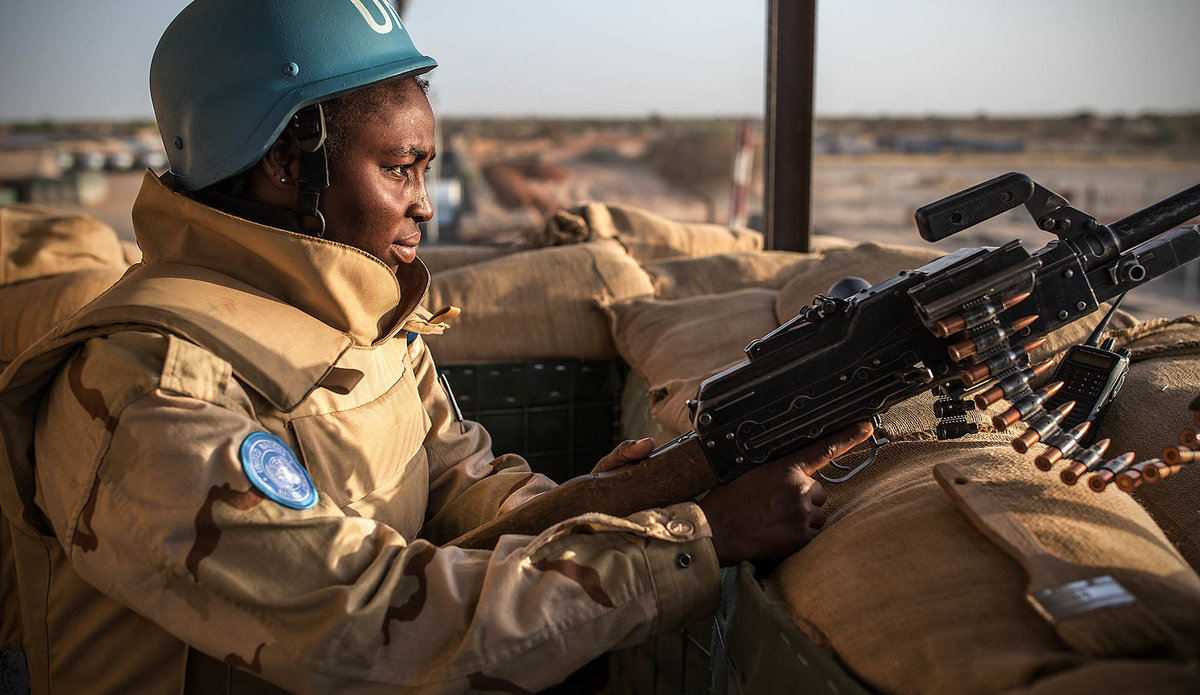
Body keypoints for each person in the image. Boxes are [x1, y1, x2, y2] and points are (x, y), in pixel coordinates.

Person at [0, 1, 871, 692]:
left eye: (424, 170)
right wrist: (698, 538)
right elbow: (360, 626)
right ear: (284, 162)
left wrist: (612, 501)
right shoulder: (151, 387)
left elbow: (462, 484)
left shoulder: (358, 309)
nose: (424, 203)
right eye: (399, 168)